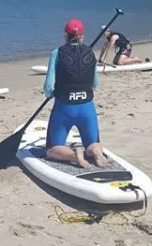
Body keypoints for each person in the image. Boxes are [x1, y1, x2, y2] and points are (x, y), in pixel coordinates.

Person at [42, 19, 106, 169]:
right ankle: (96, 152)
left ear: (65, 35)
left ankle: (73, 155)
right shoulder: (90, 52)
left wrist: (51, 94)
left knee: (51, 150)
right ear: (82, 36)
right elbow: (95, 84)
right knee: (92, 143)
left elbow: (48, 87)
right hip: (87, 108)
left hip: (64, 109)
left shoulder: (56, 53)